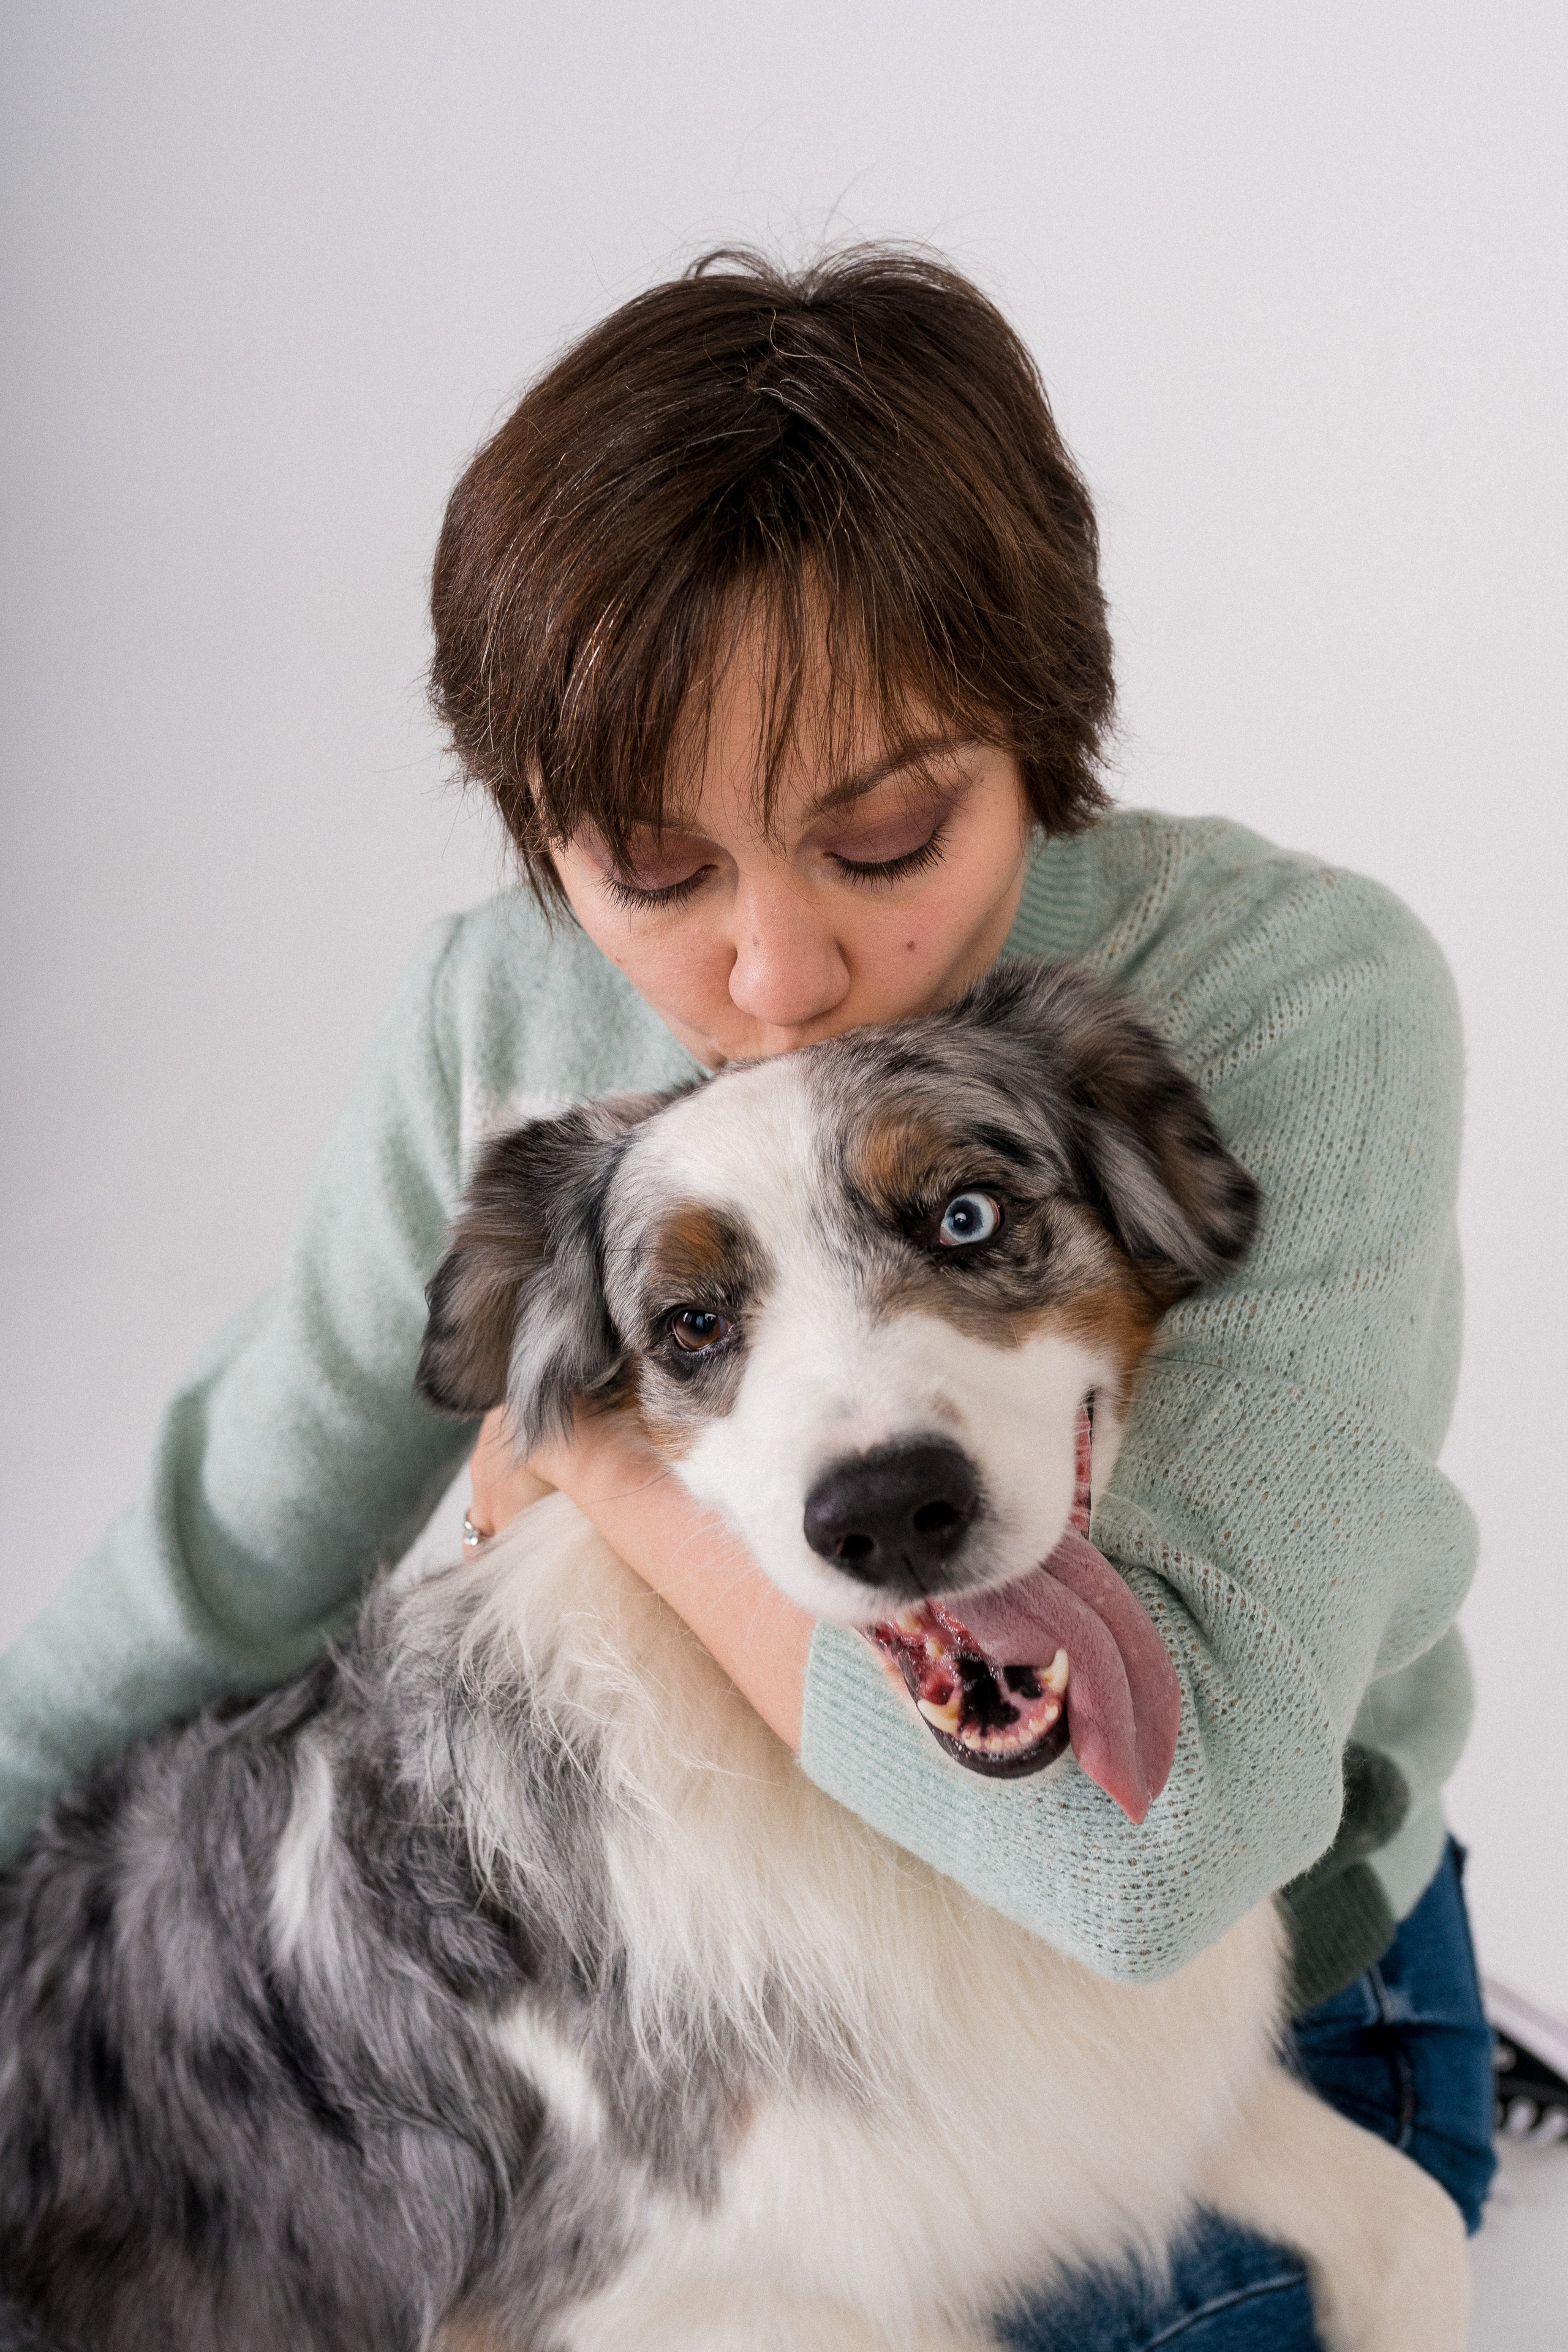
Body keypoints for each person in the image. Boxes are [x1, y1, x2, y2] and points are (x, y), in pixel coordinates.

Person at [0, 248, 1496, 2345]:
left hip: (1270, 1972)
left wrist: (608, 1464)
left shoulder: (1297, 996)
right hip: (742, 1983)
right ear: (543, 844)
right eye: (653, 868)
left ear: (1043, 738)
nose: (776, 975)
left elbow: (1157, 1866)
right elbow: (233, 1550)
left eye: (885, 833)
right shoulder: (498, 1013)